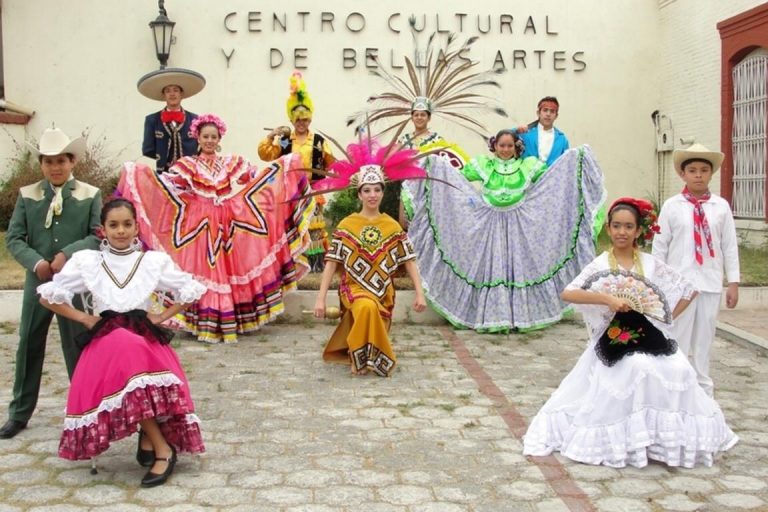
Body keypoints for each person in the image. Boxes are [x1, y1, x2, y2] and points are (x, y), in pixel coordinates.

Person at [523, 197, 737, 468]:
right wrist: (608, 300)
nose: (622, 232)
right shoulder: (600, 265)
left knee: (679, 368)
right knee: (636, 366)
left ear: (638, 231)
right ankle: (630, 437)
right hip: (614, 337)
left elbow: (688, 289)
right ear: (609, 229)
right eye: (616, 226)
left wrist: (664, 318)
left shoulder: (649, 264)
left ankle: (666, 438)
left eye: (628, 226)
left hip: (650, 333)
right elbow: (569, 293)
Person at [37, 198, 206, 487]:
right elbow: (47, 296)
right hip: (107, 336)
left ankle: (153, 441)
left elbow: (191, 290)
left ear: (136, 227)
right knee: (123, 350)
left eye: (127, 224)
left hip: (143, 335)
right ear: (102, 229)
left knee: (132, 355)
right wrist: (84, 318)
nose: (121, 231)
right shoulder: (89, 261)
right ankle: (159, 446)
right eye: (113, 225)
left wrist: (162, 315)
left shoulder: (151, 261)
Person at [119, 113, 314, 343]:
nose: (210, 140)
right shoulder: (187, 165)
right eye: (205, 136)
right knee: (206, 270)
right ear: (197, 138)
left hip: (229, 220)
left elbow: (253, 178)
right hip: (199, 224)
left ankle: (232, 319)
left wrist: (282, 167)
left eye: (214, 136)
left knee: (229, 270)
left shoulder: (231, 162)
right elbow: (170, 185)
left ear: (219, 138)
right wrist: (141, 175)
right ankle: (204, 320)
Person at [0, 127, 102, 440]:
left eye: (61, 160)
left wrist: (66, 255)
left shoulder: (89, 195)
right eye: (48, 161)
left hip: (74, 284)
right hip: (38, 283)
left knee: (76, 344)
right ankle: (19, 412)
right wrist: (37, 263)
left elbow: (97, 236)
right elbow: (15, 237)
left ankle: (85, 410)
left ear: (72, 162)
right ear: (41, 164)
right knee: (29, 342)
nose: (55, 167)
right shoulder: (28, 195)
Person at [312, 139, 427, 377]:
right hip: (353, 288)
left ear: (383, 192)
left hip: (383, 291)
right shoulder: (347, 224)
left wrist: (420, 292)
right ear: (359, 194)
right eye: (367, 190)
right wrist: (320, 299)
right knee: (364, 306)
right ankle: (362, 358)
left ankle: (364, 356)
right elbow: (332, 263)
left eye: (377, 189)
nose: (372, 195)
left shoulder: (392, 225)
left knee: (371, 307)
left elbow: (409, 260)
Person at [652, 144, 740, 397]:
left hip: (709, 283)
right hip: (679, 284)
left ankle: (703, 391)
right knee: (676, 336)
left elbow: (729, 246)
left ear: (711, 174)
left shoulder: (720, 206)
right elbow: (660, 245)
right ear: (683, 174)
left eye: (704, 170)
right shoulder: (672, 206)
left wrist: (732, 282)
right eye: (692, 170)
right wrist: (659, 282)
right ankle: (674, 387)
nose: (698, 175)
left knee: (704, 340)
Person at [258, 71, 335, 272]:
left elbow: (332, 164)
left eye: (305, 119)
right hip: (288, 194)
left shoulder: (319, 141)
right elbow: (265, 155)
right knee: (289, 228)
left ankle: (315, 266)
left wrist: (321, 180)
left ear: (310, 119)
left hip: (312, 193)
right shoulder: (285, 140)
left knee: (313, 228)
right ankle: (290, 265)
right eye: (298, 119)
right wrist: (272, 136)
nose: (301, 123)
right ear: (292, 120)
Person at [138, 67, 205, 174]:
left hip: (190, 174)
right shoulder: (152, 120)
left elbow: (202, 146)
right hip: (164, 173)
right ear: (163, 95)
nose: (172, 94)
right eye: (168, 91)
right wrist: (163, 156)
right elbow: (147, 149)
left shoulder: (195, 119)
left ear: (181, 94)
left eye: (175, 90)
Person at [460, 129, 547, 207]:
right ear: (495, 146)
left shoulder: (526, 165)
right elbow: (458, 178)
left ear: (515, 147)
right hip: (489, 219)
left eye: (510, 146)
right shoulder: (485, 165)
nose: (506, 150)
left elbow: (550, 178)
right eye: (502, 145)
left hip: (519, 219)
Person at [514, 96, 569, 166]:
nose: (548, 114)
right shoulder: (525, 133)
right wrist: (516, 130)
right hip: (528, 175)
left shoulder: (562, 139)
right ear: (538, 113)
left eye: (552, 111)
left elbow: (566, 165)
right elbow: (502, 138)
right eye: (545, 110)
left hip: (552, 176)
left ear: (556, 116)